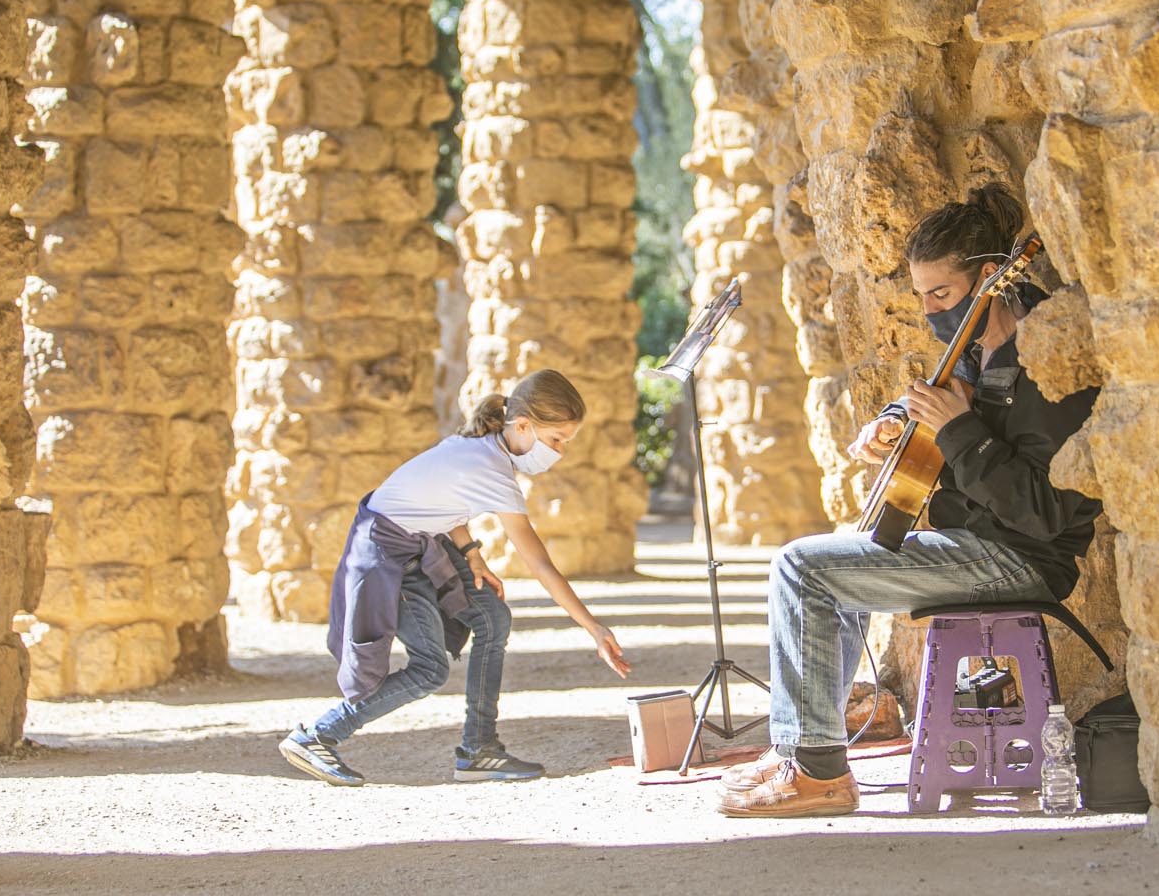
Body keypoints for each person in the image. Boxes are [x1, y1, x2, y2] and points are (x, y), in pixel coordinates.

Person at [717, 184, 1102, 817]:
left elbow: (1046, 511)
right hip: (980, 544)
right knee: (831, 559)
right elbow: (939, 403)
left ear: (988, 279)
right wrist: (896, 422)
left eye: (941, 294)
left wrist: (957, 431)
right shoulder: (976, 352)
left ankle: (818, 774)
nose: (928, 311)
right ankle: (805, 744)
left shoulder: (1043, 363)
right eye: (920, 295)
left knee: (802, 567)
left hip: (1021, 555)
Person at [279, 369, 631, 787]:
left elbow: (445, 503)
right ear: (523, 426)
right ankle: (317, 735)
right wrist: (592, 627)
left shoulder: (485, 447)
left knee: (492, 617)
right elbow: (539, 562)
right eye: (557, 441)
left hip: (422, 544)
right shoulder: (493, 471)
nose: (561, 452)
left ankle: (478, 750)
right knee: (429, 670)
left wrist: (472, 554)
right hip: (387, 555)